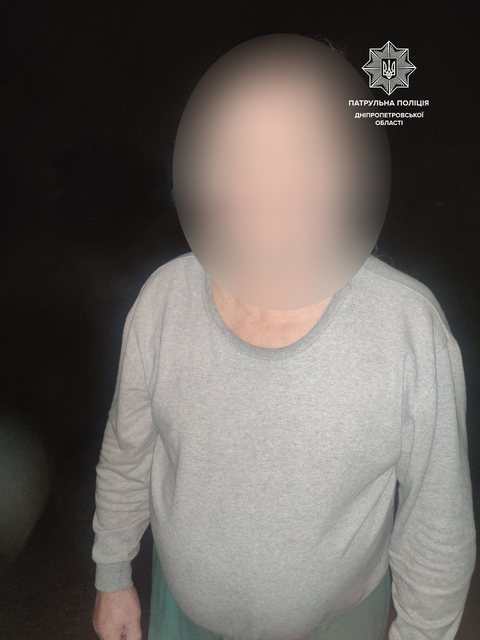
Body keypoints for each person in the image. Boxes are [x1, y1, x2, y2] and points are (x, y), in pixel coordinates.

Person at [92, 34, 476, 640]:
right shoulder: (163, 300)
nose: (270, 183)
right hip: (180, 614)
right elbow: (127, 453)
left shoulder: (409, 329)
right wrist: (113, 576)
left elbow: (437, 523)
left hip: (340, 622)